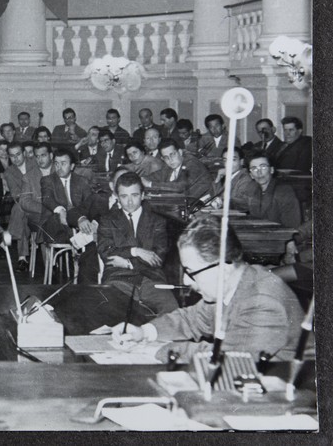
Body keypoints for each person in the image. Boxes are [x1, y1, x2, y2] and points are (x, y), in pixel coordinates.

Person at [112, 215, 304, 363]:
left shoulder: (263, 301)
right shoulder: (235, 284)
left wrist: (155, 350)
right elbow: (193, 319)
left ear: (224, 268)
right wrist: (144, 332)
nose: (187, 281)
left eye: (191, 272)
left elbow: (229, 359)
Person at [97, 172, 178, 314]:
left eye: (134, 195)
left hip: (151, 279)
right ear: (117, 197)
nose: (129, 202)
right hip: (118, 277)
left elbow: (158, 259)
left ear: (142, 195)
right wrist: (135, 251)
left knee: (172, 311)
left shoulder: (157, 221)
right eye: (124, 196)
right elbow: (107, 253)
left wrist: (128, 263)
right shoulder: (107, 220)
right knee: (115, 311)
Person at [39, 148, 101, 283]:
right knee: (87, 236)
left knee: (94, 219)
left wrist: (85, 219)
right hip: (54, 225)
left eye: (63, 163)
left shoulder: (82, 181)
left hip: (78, 224)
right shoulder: (47, 180)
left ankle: (84, 247)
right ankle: (84, 243)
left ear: (72, 166)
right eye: (56, 163)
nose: (59, 167)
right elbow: (47, 199)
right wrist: (61, 210)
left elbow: (89, 204)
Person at [142, 138, 212, 199]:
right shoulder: (168, 166)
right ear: (162, 158)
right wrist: (139, 179)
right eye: (166, 157)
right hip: (180, 206)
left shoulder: (192, 163)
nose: (170, 160)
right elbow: (152, 177)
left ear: (180, 152)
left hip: (204, 205)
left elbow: (180, 186)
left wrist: (150, 184)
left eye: (172, 154)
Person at [3, 142, 36, 270]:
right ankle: (22, 258)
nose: (15, 158)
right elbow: (16, 194)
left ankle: (6, 242)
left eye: (18, 154)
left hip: (39, 203)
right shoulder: (9, 172)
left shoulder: (35, 164)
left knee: (18, 210)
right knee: (20, 213)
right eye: (12, 156)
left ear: (24, 153)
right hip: (24, 204)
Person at [247, 153, 301, 228]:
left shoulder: (284, 191)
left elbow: (291, 226)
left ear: (272, 170)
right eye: (254, 168)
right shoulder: (253, 190)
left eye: (263, 167)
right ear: (251, 175)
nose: (259, 172)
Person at [208, 147, 261, 214]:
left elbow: (240, 203)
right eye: (225, 160)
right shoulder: (228, 177)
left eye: (233, 160)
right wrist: (218, 178)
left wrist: (221, 201)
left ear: (241, 162)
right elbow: (214, 197)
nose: (228, 164)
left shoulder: (246, 178)